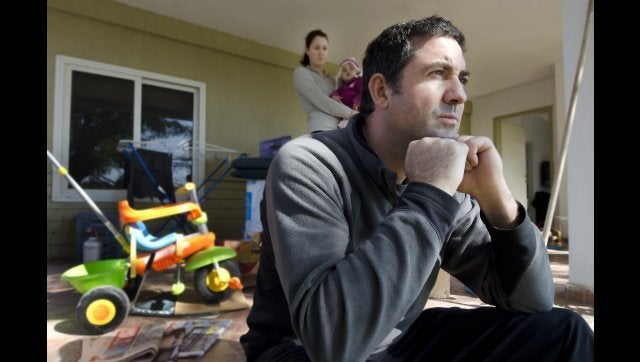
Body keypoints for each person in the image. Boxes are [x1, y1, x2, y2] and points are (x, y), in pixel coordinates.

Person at [241, 16, 594, 362]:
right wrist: (429, 191)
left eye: (462, 78)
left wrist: (498, 201)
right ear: (381, 91)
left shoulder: (446, 184)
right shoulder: (308, 162)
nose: (459, 95)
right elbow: (332, 343)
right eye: (438, 74)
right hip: (300, 347)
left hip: (399, 337)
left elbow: (533, 300)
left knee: (564, 332)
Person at [293, 29, 358, 133]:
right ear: (307, 50)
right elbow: (322, 101)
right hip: (321, 130)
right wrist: (352, 113)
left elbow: (348, 96)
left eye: (324, 48)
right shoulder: (301, 73)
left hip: (341, 131)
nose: (321, 52)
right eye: (317, 47)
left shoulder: (333, 80)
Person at [330, 57, 364, 129]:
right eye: (344, 70)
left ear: (356, 72)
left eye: (351, 68)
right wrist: (334, 96)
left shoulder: (359, 80)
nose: (348, 71)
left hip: (358, 108)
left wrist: (357, 102)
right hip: (347, 111)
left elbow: (363, 91)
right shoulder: (342, 87)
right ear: (341, 76)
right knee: (344, 125)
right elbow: (335, 92)